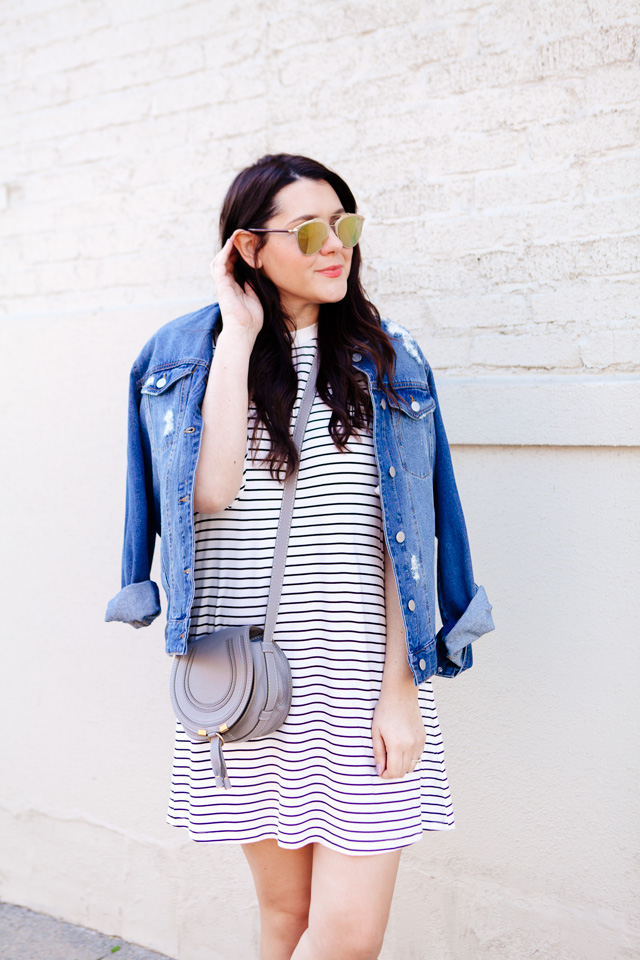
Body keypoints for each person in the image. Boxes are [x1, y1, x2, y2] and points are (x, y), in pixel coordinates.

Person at [105, 153, 495, 960]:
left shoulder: (389, 361)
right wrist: (241, 336)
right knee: (284, 920)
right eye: (310, 229)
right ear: (248, 248)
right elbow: (208, 493)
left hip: (357, 681)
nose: (335, 246)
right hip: (248, 679)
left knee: (346, 936)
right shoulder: (188, 356)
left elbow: (403, 544)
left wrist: (401, 693)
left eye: (344, 224)